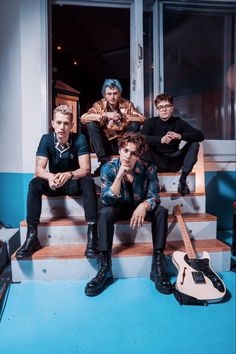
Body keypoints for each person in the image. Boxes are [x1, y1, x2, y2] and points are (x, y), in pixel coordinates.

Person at [85, 132, 172, 296]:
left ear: (138, 155)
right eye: (125, 151)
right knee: (104, 213)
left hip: (139, 209)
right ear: (120, 150)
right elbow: (107, 199)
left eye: (133, 153)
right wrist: (119, 176)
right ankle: (105, 267)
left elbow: (155, 196)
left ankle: (158, 265)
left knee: (161, 212)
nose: (128, 156)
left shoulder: (149, 168)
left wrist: (144, 206)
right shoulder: (108, 168)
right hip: (119, 207)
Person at [16, 105, 98, 260]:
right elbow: (39, 169)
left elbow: (86, 169)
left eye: (66, 123)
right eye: (59, 123)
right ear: (53, 123)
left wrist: (69, 174)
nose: (62, 127)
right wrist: (50, 177)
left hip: (72, 182)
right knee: (34, 184)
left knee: (88, 181)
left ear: (72, 125)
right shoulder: (46, 139)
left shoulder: (80, 139)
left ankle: (93, 235)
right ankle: (32, 236)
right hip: (54, 183)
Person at [141, 93, 204, 195]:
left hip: (174, 161)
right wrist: (160, 139)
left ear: (172, 108)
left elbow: (200, 135)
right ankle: (150, 181)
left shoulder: (178, 122)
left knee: (195, 144)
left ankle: (182, 181)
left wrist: (180, 136)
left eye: (167, 106)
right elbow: (140, 138)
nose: (164, 109)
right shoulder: (151, 122)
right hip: (157, 161)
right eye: (160, 107)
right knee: (141, 147)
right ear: (157, 109)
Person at [81, 79, 145, 175]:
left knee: (135, 124)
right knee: (91, 124)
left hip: (122, 144)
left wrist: (122, 117)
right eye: (109, 94)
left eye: (115, 93)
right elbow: (83, 118)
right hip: (104, 144)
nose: (112, 97)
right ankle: (103, 162)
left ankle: (128, 158)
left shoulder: (127, 104)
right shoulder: (99, 105)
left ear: (119, 93)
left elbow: (142, 119)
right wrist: (106, 114)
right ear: (104, 95)